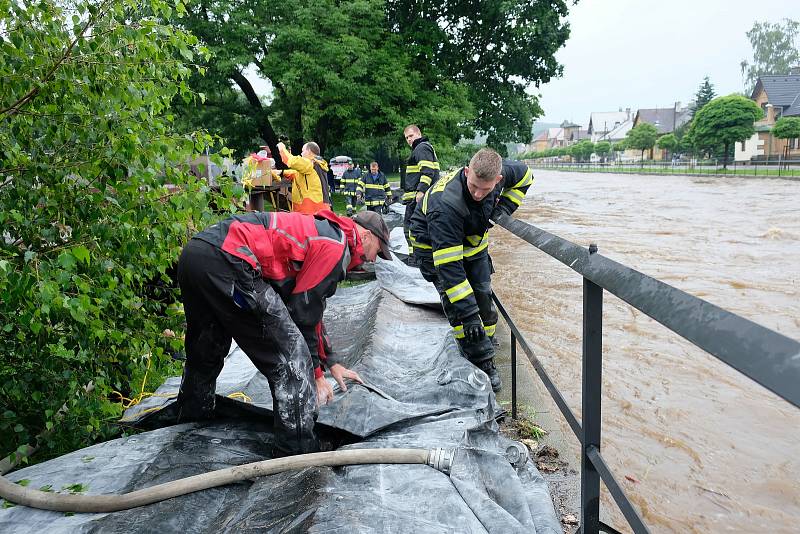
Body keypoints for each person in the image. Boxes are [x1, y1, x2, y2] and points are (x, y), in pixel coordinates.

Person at [175, 209, 392, 456]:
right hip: (231, 260)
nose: (374, 259)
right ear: (365, 236)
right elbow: (303, 314)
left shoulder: (325, 234)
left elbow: (311, 307)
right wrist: (315, 374)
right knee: (291, 360)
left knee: (207, 348)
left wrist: (330, 362)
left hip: (197, 254)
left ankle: (191, 420)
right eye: (378, 251)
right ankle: (297, 451)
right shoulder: (335, 246)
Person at [409, 148, 533, 392]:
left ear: (498, 181)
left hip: (472, 244)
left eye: (485, 190)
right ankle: (481, 360)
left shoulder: (503, 175)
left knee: (483, 295)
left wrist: (503, 208)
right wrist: (468, 316)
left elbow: (526, 177)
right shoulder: (445, 204)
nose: (478, 194)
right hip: (434, 248)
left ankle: (485, 339)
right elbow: (450, 270)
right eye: (474, 185)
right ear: (466, 172)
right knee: (459, 306)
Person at [402, 125, 439, 265]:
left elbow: (427, 171)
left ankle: (416, 260)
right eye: (406, 138)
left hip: (418, 198)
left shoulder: (421, 148)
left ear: (418, 134)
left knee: (412, 229)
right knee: (418, 228)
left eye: (411, 136)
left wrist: (421, 192)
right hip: (419, 198)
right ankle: (417, 258)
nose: (409, 140)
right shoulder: (422, 148)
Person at [276, 141, 329, 214]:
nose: (301, 154)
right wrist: (281, 172)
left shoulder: (310, 163)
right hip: (314, 210)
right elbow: (297, 174)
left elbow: (292, 161)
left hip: (311, 211)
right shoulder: (315, 165)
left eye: (302, 151)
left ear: (309, 151)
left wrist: (282, 148)